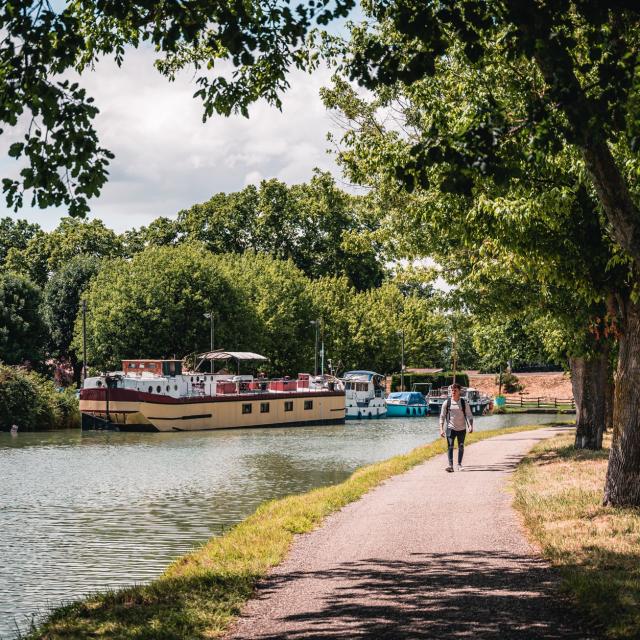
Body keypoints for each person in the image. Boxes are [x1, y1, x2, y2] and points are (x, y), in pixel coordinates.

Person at [439, 383, 474, 472]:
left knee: (461, 446)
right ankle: (450, 466)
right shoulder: (447, 403)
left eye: (455, 390)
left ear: (459, 392)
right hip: (450, 428)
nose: (453, 392)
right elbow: (442, 416)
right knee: (450, 446)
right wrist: (441, 429)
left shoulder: (463, 403)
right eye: (452, 390)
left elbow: (469, 416)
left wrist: (470, 426)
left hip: (461, 428)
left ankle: (459, 464)